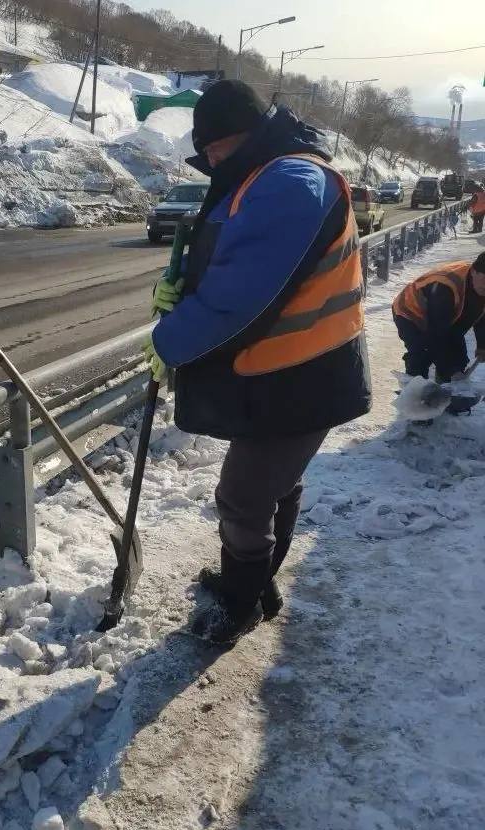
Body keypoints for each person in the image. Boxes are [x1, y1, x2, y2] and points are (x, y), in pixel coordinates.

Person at [144, 80, 372, 645]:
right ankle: (258, 583)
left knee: (243, 496)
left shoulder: (290, 182)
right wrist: (182, 294)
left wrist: (170, 338)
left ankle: (238, 603)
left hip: (305, 375)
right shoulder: (264, 176)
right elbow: (230, 269)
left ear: (240, 137)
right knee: (275, 485)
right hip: (291, 372)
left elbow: (240, 298)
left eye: (213, 150)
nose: (210, 162)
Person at [392, 253, 485, 382]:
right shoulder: (445, 287)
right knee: (421, 355)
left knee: (458, 358)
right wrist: (451, 370)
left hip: (443, 316)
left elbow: (480, 316)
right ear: (474, 271)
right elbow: (437, 334)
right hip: (410, 312)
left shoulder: (478, 285)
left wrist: (482, 344)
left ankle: (447, 387)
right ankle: (414, 392)